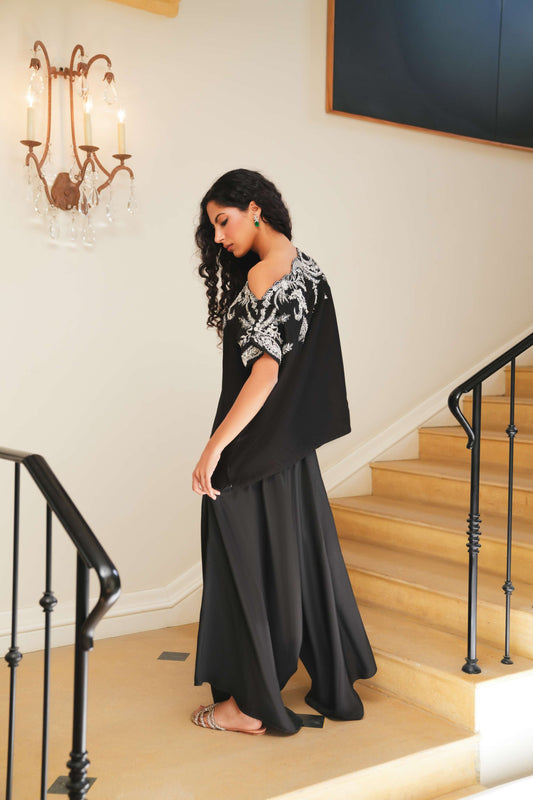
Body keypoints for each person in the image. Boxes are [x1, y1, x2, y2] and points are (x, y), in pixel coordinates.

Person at [191, 168, 376, 736]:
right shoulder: (307, 268)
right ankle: (329, 683)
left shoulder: (263, 276)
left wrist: (213, 448)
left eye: (223, 221)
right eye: (213, 227)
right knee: (299, 565)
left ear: (254, 208)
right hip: (291, 451)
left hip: (252, 450)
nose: (219, 236)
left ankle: (249, 706)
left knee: (246, 573)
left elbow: (266, 375)